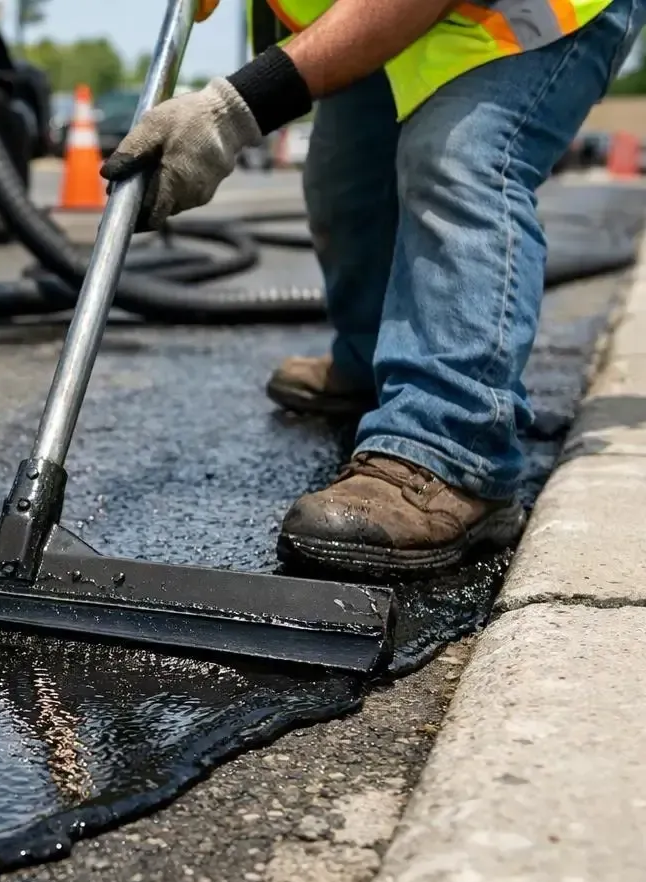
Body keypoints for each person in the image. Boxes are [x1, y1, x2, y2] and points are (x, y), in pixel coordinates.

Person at [101, 0, 646, 577]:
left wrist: (233, 110)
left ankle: (452, 443)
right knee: (344, 177)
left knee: (460, 155)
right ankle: (374, 359)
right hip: (403, 18)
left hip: (537, 12)